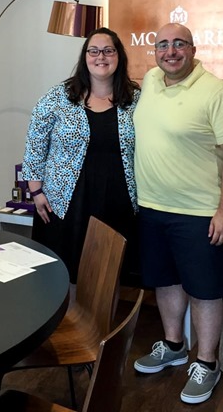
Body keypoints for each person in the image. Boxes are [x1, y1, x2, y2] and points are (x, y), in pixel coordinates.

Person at [132, 23, 223, 404]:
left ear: (193, 50)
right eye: (163, 45)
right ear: (154, 52)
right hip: (152, 207)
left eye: (179, 44)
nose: (170, 51)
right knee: (165, 281)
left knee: (204, 290)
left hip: (198, 213)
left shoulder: (215, 91)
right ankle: (173, 345)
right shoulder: (151, 81)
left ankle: (207, 362)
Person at [22, 27, 140, 285]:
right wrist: (36, 191)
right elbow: (35, 142)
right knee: (65, 274)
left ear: (119, 56)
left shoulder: (135, 99)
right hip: (66, 202)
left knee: (109, 278)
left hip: (118, 201)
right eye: (93, 51)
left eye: (108, 51)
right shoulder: (59, 97)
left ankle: (103, 314)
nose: (101, 57)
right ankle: (70, 313)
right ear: (84, 56)